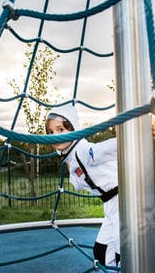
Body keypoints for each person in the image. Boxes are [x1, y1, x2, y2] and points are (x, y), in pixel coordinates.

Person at [45, 104, 120, 269]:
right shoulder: (71, 156)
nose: (54, 136)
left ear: (73, 129)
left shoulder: (83, 151)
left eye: (60, 130)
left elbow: (104, 149)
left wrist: (131, 138)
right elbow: (79, 180)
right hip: (111, 205)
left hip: (124, 201)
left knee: (126, 254)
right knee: (102, 252)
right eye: (50, 132)